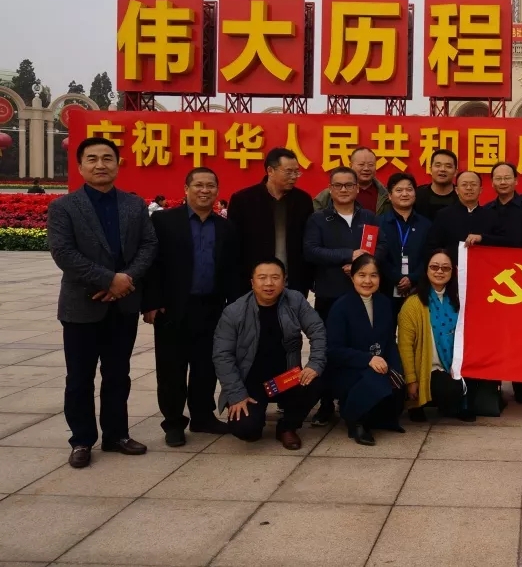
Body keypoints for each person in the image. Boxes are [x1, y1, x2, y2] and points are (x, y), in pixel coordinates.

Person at [46, 137, 157, 468]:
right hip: (81, 305)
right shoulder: (64, 207)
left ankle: (116, 435)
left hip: (122, 305)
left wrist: (125, 280)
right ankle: (81, 440)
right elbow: (63, 253)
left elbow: (149, 246)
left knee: (118, 374)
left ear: (117, 164)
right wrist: (109, 279)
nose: (100, 165)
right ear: (80, 166)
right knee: (79, 378)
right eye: (92, 159)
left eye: (107, 158)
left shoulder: (133, 205)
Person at [142, 167, 236, 447]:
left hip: (212, 308)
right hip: (172, 308)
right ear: (186, 189)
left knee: (206, 366)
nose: (205, 190)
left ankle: (202, 416)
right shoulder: (164, 221)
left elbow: (232, 270)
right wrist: (151, 302)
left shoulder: (226, 227)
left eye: (210, 186)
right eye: (198, 185)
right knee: (171, 368)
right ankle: (173, 422)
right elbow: (152, 264)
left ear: (217, 191)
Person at [213, 259, 326, 450]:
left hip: (287, 377)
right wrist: (237, 395)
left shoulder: (295, 300)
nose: (268, 283)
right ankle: (256, 415)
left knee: (319, 378)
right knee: (246, 429)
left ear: (284, 281)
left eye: (275, 277)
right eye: (262, 277)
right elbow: (222, 355)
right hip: (251, 381)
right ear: (252, 282)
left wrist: (314, 364)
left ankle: (287, 427)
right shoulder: (234, 311)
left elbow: (318, 330)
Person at [303, 166, 379, 425]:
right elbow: (311, 250)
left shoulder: (369, 217)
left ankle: (353, 399)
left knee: (359, 347)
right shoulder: (318, 219)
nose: (344, 189)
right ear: (330, 189)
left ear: (357, 188)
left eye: (349, 185)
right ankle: (325, 404)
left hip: (363, 295)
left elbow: (381, 247)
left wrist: (360, 266)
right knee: (327, 348)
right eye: (338, 185)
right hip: (330, 293)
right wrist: (348, 256)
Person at [326, 254, 405, 445]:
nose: (368, 281)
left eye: (373, 275)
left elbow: (389, 341)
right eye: (362, 275)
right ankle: (355, 421)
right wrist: (368, 359)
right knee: (375, 381)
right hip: (349, 367)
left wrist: (398, 370)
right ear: (352, 277)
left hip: (378, 365)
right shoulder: (340, 307)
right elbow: (334, 350)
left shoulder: (384, 303)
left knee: (396, 389)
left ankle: (374, 416)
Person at [487, 161, 522, 404]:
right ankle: (495, 384)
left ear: (516, 181)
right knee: (495, 337)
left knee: (521, 338)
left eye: (507, 178)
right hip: (494, 285)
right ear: (492, 183)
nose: (503, 182)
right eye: (498, 178)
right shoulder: (486, 210)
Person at [397, 248, 476, 422]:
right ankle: (420, 401)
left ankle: (448, 400)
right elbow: (405, 346)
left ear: (453, 271)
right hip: (426, 368)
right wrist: (411, 380)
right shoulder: (413, 304)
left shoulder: (458, 300)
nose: (439, 271)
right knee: (450, 391)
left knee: (460, 390)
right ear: (426, 269)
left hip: (452, 367)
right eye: (434, 267)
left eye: (445, 268)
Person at [228, 147, 315, 296]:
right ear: (270, 170)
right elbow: (234, 245)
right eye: (288, 172)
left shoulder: (303, 200)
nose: (294, 176)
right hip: (252, 284)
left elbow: (307, 242)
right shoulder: (243, 200)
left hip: (293, 283)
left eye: (296, 172)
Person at [374, 172, 432, 315]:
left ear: (415, 194)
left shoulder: (426, 224)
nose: (404, 194)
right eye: (399, 190)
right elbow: (377, 256)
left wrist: (412, 278)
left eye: (409, 189)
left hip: (418, 288)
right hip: (385, 288)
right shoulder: (379, 223)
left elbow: (429, 256)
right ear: (389, 195)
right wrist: (397, 277)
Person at [426, 171, 504, 253]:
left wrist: (482, 238)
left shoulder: (492, 215)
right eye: (464, 184)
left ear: (480, 190)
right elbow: (432, 247)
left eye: (473, 184)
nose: (469, 188)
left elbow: (503, 243)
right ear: (456, 190)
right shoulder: (443, 215)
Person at [312, 147, 390, 216]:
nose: (366, 168)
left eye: (371, 165)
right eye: (361, 164)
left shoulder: (386, 195)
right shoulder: (331, 193)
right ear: (350, 166)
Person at [415, 149, 460, 221]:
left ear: (455, 172)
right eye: (438, 165)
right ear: (430, 169)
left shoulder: (462, 197)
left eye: (448, 166)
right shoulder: (417, 195)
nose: (442, 169)